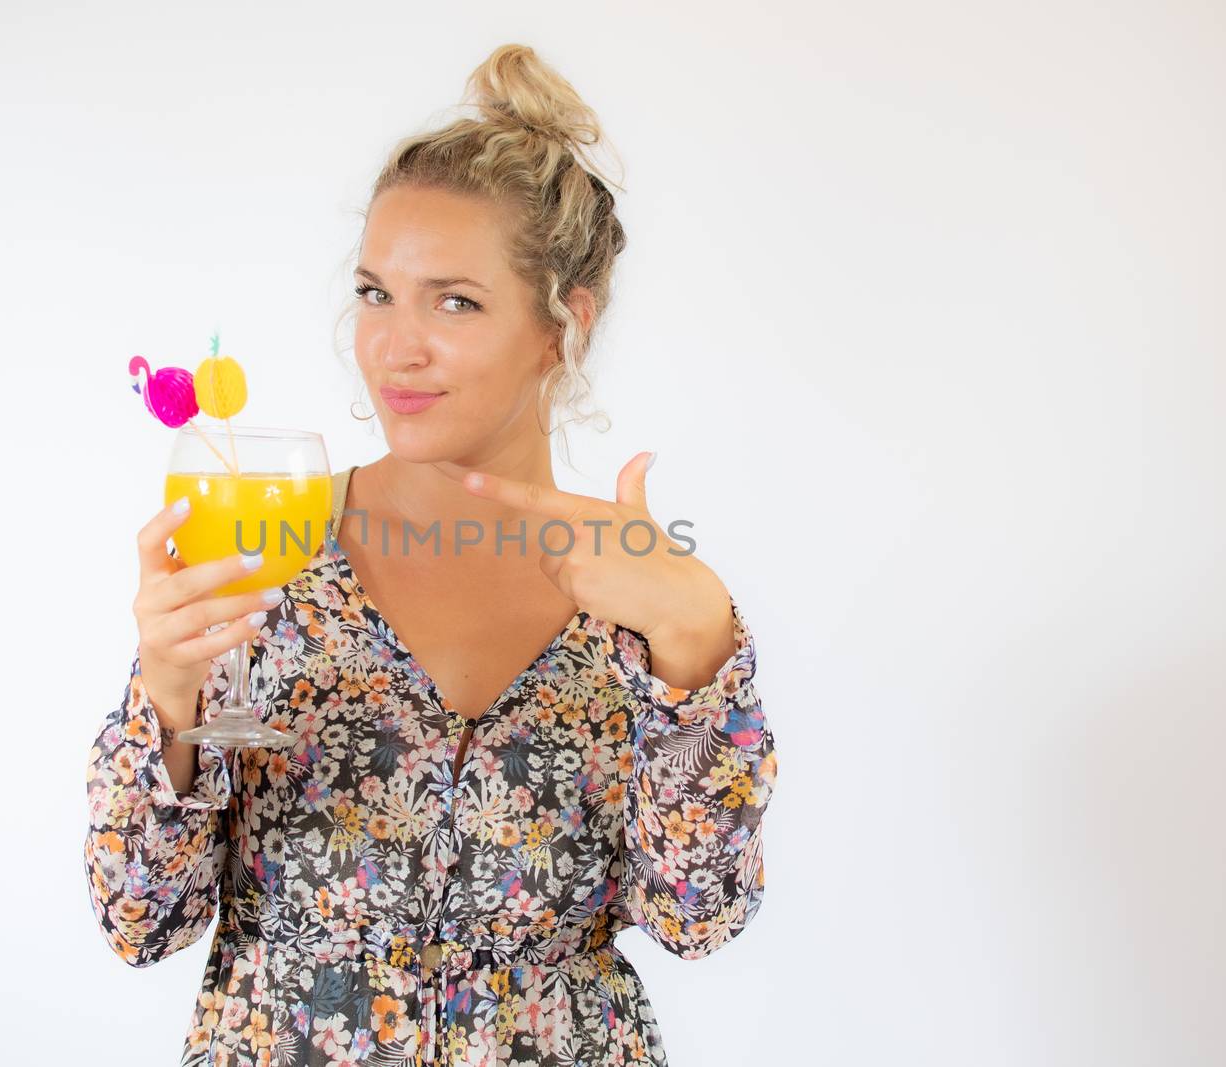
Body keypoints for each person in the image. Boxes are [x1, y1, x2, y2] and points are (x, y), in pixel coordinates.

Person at [84, 42, 778, 1067]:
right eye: (375, 294)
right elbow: (142, 920)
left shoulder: (640, 582)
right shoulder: (261, 548)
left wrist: (692, 664)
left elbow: (698, 912)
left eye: (454, 301)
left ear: (562, 324)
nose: (394, 347)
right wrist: (172, 701)